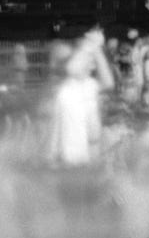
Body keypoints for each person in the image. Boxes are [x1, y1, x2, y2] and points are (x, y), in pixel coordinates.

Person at [48, 28, 114, 166]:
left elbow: (108, 83)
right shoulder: (66, 90)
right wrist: (89, 46)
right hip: (70, 158)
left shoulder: (90, 85)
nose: (93, 65)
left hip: (89, 153)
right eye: (89, 60)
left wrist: (96, 50)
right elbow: (72, 69)